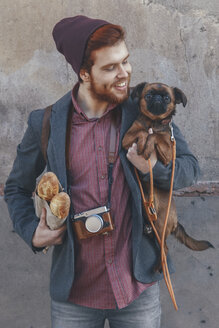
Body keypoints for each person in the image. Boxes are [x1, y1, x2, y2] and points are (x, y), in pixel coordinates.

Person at [4, 15, 200, 328]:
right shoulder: (45, 123)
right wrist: (32, 232)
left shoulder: (146, 109)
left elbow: (190, 170)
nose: (125, 75)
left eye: (126, 61)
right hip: (74, 299)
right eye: (111, 68)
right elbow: (15, 188)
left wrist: (151, 170)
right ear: (84, 73)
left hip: (137, 290)